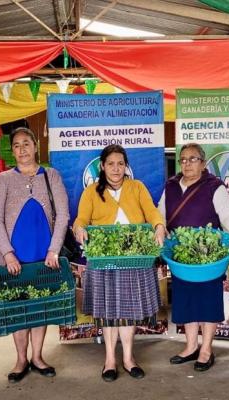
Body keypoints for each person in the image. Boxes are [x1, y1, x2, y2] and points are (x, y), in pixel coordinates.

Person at [72, 144, 166, 382]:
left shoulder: (137, 187)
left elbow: (152, 213)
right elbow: (81, 219)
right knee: (107, 312)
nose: (116, 169)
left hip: (133, 257)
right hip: (103, 259)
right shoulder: (91, 192)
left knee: (128, 312)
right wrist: (79, 228)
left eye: (120, 164)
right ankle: (110, 360)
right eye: (111, 164)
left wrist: (158, 226)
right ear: (102, 166)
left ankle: (128, 358)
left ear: (126, 167)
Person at [0, 127, 70, 382]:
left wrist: (54, 249)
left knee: (39, 306)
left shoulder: (52, 176)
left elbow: (64, 216)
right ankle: (21, 358)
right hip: (15, 255)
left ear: (36, 146)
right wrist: (8, 253)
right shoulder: (3, 179)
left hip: (44, 253)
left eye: (26, 143)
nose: (22, 149)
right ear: (11, 150)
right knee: (17, 306)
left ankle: (37, 356)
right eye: (16, 145)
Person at [158, 143, 229, 372]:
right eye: (183, 159)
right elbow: (161, 214)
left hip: (207, 256)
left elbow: (227, 214)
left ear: (203, 163)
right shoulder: (172, 186)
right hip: (181, 255)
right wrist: (158, 228)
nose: (187, 163)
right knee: (185, 300)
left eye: (192, 159)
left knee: (207, 301)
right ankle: (190, 346)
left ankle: (206, 349)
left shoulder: (214, 186)